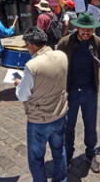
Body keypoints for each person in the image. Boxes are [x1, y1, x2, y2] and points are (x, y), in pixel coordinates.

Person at [14, 28, 69, 182]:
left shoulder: (32, 65)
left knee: (36, 158)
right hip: (59, 112)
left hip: (39, 119)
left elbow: (22, 95)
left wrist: (19, 84)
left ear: (31, 45)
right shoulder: (62, 55)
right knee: (59, 150)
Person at [56, 13, 100, 173]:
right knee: (68, 126)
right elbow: (58, 66)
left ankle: (91, 154)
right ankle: (68, 155)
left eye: (90, 29)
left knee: (91, 125)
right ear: (77, 27)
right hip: (70, 91)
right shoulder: (65, 43)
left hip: (90, 91)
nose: (87, 32)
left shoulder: (98, 42)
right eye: (84, 29)